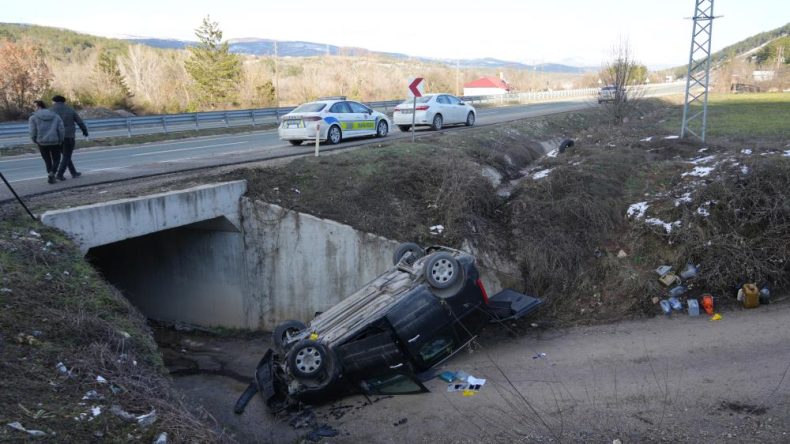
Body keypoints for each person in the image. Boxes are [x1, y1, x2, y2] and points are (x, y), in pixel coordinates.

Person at [51, 95, 88, 180]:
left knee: (65, 155)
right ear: (64, 101)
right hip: (68, 135)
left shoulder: (50, 110)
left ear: (54, 101)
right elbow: (79, 121)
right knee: (67, 155)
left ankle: (73, 172)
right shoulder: (70, 109)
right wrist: (84, 131)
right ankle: (60, 174)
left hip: (56, 136)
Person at [29, 100, 64, 184]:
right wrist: (61, 139)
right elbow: (61, 129)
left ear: (39, 106)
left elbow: (33, 131)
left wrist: (34, 139)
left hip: (42, 142)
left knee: (47, 159)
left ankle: (50, 173)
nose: (34, 109)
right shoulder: (55, 116)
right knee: (56, 159)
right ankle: (52, 173)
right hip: (55, 141)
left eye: (35, 107)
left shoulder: (33, 117)